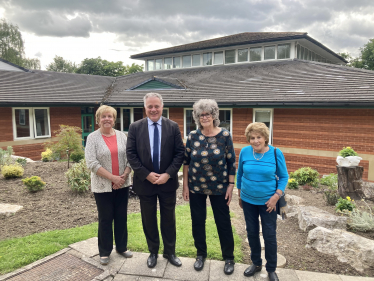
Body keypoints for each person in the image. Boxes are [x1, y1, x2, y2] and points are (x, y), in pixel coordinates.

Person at [126, 92, 185, 268]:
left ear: (162, 107)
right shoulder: (135, 127)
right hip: (145, 183)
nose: (153, 109)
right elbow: (131, 154)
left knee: (169, 218)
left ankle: (170, 252)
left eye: (156, 106)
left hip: (167, 182)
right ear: (145, 108)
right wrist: (146, 174)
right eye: (150, 106)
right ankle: (153, 252)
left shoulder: (172, 126)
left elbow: (179, 153)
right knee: (148, 218)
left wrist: (168, 174)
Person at [183, 99, 236, 275]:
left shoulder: (225, 136)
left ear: (214, 115)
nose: (204, 117)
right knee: (198, 221)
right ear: (197, 117)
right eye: (201, 114)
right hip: (196, 187)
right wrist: (185, 186)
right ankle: (200, 254)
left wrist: (230, 185)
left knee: (223, 222)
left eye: (208, 114)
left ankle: (228, 257)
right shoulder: (192, 136)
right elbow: (186, 162)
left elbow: (231, 163)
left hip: (219, 187)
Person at [237, 122, 288, 281]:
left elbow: (284, 176)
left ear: (265, 138)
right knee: (252, 232)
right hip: (248, 201)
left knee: (269, 235)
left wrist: (275, 197)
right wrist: (240, 195)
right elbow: (239, 175)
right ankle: (256, 263)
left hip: (269, 203)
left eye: (259, 137)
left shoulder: (275, 153)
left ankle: (271, 268)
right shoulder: (245, 152)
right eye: (252, 138)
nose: (255, 141)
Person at [85, 105, 133, 266]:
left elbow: (130, 158)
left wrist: (123, 176)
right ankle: (105, 251)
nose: (107, 119)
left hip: (123, 184)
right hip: (102, 186)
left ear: (114, 119)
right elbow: (91, 163)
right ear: (98, 120)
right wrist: (113, 178)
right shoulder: (92, 137)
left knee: (121, 217)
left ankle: (121, 247)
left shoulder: (122, 136)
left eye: (110, 116)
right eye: (103, 116)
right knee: (105, 219)